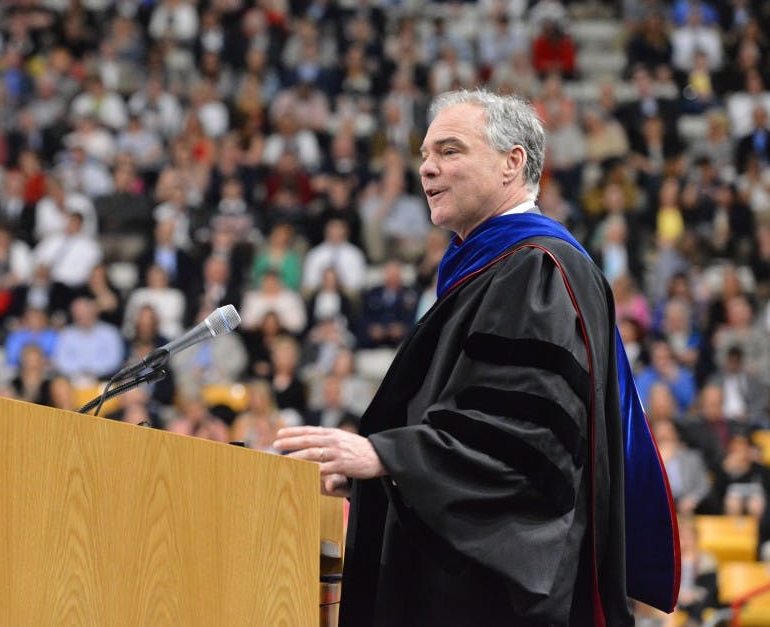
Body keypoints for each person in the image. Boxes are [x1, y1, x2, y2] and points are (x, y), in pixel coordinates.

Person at [275, 89, 676, 625]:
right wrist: (381, 473)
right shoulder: (492, 270)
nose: (427, 170)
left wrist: (390, 458)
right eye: (423, 155)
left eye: (449, 151)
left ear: (513, 162)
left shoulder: (537, 270)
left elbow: (524, 439)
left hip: (498, 598)